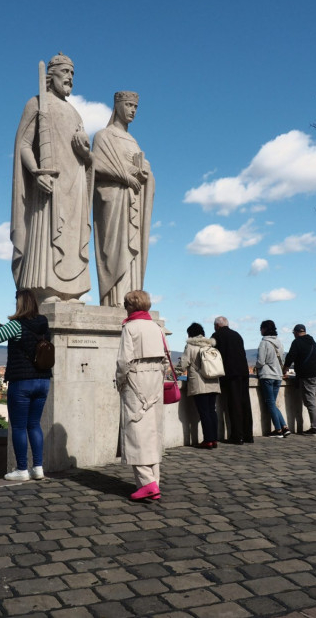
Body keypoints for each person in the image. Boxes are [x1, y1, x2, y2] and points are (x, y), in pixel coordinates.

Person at [10, 52, 93, 303]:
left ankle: (71, 290)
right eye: (65, 71)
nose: (70, 77)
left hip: (75, 183)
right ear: (51, 74)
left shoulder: (75, 113)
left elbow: (86, 156)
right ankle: (47, 289)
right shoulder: (37, 103)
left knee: (72, 236)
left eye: (72, 73)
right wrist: (36, 172)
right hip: (50, 181)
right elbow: (24, 144)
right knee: (48, 233)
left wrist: (85, 152)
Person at [92, 91, 155, 307]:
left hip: (132, 201)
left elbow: (142, 172)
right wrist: (125, 176)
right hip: (113, 201)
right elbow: (96, 166)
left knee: (132, 250)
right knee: (114, 250)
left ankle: (132, 299)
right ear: (117, 106)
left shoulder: (133, 142)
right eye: (128, 105)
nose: (133, 110)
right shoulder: (103, 136)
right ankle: (115, 299)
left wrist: (145, 172)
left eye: (135, 107)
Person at [0, 289, 51, 481]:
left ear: (20, 303)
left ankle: (22, 469)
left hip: (22, 382)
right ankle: (38, 468)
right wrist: (4, 327)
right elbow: (26, 337)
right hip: (43, 380)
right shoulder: (43, 323)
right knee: (34, 424)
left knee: (19, 427)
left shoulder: (17, 324)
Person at [115, 290, 169, 501]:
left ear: (131, 306)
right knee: (152, 432)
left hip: (135, 382)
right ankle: (154, 482)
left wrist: (120, 381)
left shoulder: (130, 327)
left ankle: (147, 484)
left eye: (126, 304)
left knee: (136, 432)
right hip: (155, 383)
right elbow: (166, 358)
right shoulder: (156, 327)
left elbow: (123, 361)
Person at [175, 322, 220, 448]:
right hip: (213, 382)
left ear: (190, 334)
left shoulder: (190, 346)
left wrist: (174, 374)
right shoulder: (210, 345)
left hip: (199, 384)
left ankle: (208, 440)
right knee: (212, 411)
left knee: (204, 412)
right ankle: (214, 439)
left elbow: (183, 364)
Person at [212, 316, 253, 444]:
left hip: (230, 374)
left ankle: (237, 436)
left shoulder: (217, 336)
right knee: (245, 403)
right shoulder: (237, 335)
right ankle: (248, 435)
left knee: (234, 404)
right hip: (243, 372)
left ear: (217, 326)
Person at [282, 324, 316, 436]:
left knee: (310, 403)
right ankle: (315, 427)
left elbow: (290, 357)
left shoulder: (297, 342)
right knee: (312, 402)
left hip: (307, 376)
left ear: (296, 332)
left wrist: (284, 370)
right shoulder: (312, 341)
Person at [255, 320, 291, 438]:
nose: (260, 330)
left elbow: (261, 361)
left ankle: (278, 430)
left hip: (267, 375)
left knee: (270, 403)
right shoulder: (279, 343)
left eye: (261, 328)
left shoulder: (264, 343)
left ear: (265, 329)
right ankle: (284, 427)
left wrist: (256, 367)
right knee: (272, 403)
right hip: (278, 376)